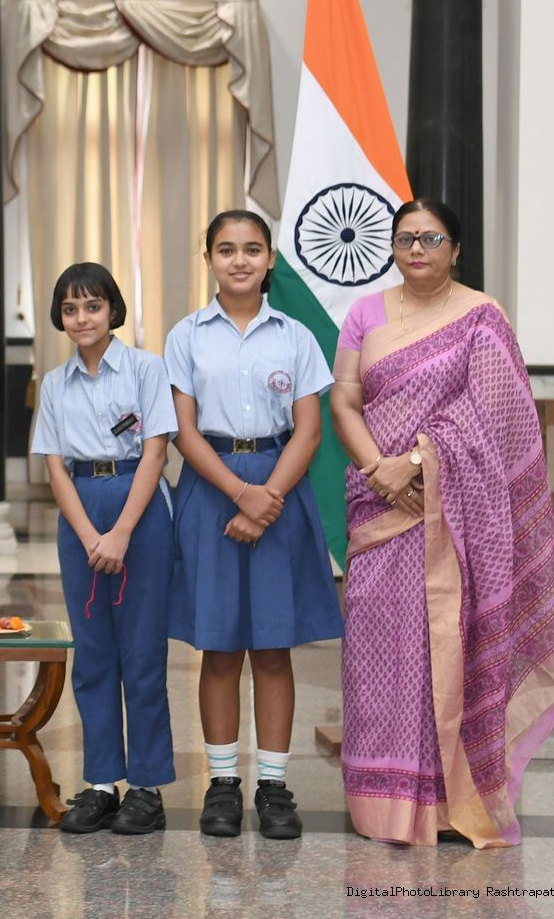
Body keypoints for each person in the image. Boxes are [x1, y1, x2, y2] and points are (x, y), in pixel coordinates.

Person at [330, 199, 554, 848]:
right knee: (378, 651)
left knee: (449, 647)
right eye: (405, 238)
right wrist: (378, 469)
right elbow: (344, 399)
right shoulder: (365, 313)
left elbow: (495, 412)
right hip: (380, 506)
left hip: (457, 513)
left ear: (456, 249)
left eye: (431, 238)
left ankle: (449, 802)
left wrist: (415, 463)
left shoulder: (482, 316)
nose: (416, 249)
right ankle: (382, 803)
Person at [165, 210, 342, 840]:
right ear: (209, 260)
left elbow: (310, 429)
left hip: (280, 489)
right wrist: (242, 494)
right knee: (218, 648)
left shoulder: (295, 336)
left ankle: (272, 786)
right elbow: (183, 430)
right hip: (213, 488)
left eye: (251, 249)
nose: (238, 260)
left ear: (269, 260)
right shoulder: (186, 335)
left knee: (272, 646)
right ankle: (221, 784)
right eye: (225, 249)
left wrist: (268, 497)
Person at [30, 263, 177, 835]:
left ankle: (146, 787)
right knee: (93, 655)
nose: (82, 318)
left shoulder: (145, 368)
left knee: (141, 654)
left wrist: (120, 533)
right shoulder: (54, 384)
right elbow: (54, 467)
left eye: (92, 306)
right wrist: (91, 535)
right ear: (60, 318)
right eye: (70, 309)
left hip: (139, 508)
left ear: (112, 310)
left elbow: (156, 452)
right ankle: (99, 784)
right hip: (80, 512)